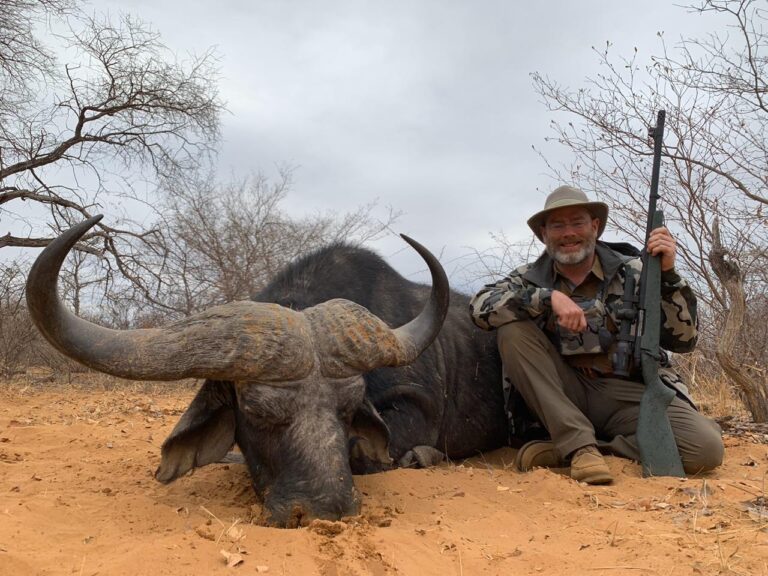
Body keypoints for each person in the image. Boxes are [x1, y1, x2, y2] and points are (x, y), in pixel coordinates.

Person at [469, 185, 723, 485]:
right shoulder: (529, 277)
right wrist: (547, 298)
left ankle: (576, 448)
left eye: (577, 222)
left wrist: (668, 275)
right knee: (512, 332)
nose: (568, 233)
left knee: (705, 451)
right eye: (557, 225)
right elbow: (479, 307)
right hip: (560, 394)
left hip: (627, 394)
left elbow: (684, 340)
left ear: (595, 226)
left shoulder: (636, 271)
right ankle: (578, 447)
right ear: (544, 234)